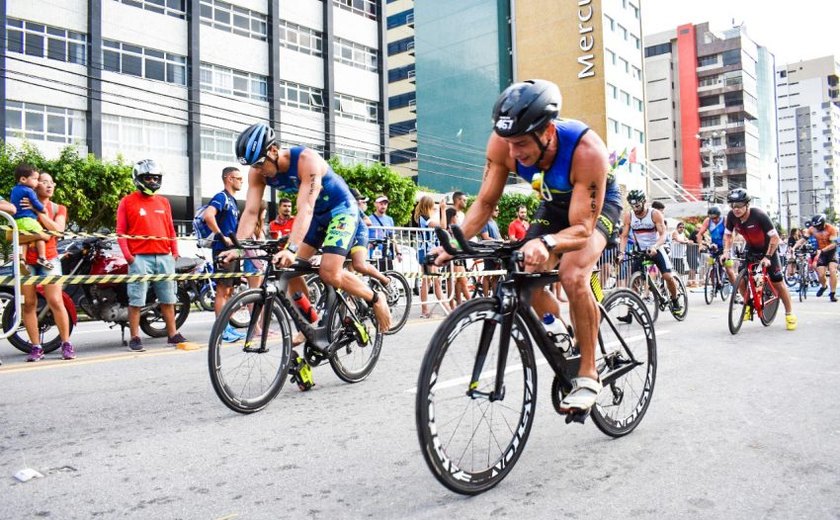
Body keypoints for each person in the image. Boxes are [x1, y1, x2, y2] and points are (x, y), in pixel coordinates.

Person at [433, 79, 623, 413]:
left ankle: (589, 373)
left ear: (548, 131)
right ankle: (559, 329)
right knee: (525, 268)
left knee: (573, 273)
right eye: (508, 142)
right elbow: (485, 203)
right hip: (553, 204)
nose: (513, 152)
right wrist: (455, 242)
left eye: (521, 143)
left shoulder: (586, 151)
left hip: (596, 209)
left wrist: (548, 241)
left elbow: (581, 228)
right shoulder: (503, 143)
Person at [220, 123, 390, 337]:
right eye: (253, 166)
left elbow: (305, 208)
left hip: (341, 210)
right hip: (317, 217)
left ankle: (375, 298)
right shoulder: (258, 173)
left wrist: (291, 248)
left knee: (329, 272)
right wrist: (238, 248)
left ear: (273, 150)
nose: (258, 170)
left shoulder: (305, 160)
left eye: (260, 163)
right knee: (289, 271)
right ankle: (313, 323)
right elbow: (251, 212)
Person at [116, 159, 189, 351]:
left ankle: (172, 335)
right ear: (139, 179)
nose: (152, 181)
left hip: (165, 257)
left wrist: (174, 252)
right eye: (148, 178)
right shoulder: (127, 201)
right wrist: (129, 257)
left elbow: (171, 229)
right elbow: (121, 232)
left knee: (168, 298)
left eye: (155, 178)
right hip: (140, 258)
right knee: (136, 300)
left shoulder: (163, 202)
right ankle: (134, 337)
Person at [720, 188, 796, 330]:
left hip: (769, 249)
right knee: (741, 280)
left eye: (739, 205)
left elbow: (775, 238)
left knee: (777, 281)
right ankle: (748, 304)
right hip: (751, 248)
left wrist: (767, 257)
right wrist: (725, 252)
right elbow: (728, 235)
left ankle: (789, 313)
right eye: (733, 206)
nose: (736, 209)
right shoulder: (731, 216)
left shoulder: (759, 215)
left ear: (747, 204)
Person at [18, 172, 74, 361]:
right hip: (27, 262)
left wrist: (39, 212)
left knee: (56, 301)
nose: (49, 186)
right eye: (44, 182)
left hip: (50, 259)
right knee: (29, 304)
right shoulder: (22, 206)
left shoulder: (59, 208)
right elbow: (15, 236)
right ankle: (36, 347)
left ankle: (66, 344)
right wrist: (41, 235)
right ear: (35, 185)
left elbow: (58, 230)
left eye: (51, 182)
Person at [618, 190, 682, 313]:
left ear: (643, 202)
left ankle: (675, 301)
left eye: (637, 205)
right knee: (634, 280)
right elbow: (624, 236)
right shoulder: (629, 216)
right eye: (633, 206)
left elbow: (663, 234)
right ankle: (631, 311)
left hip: (656, 248)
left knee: (667, 276)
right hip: (641, 250)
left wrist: (655, 246)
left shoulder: (655, 214)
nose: (635, 208)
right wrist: (621, 253)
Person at [203, 166, 244, 342]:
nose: (242, 181)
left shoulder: (233, 201)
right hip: (222, 250)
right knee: (222, 290)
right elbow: (208, 215)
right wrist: (222, 236)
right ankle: (221, 331)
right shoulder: (222, 197)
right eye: (238, 178)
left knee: (229, 290)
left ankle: (227, 327)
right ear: (229, 178)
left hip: (233, 251)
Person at [10, 164, 52, 270]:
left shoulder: (14, 189)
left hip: (17, 220)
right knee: (40, 236)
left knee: (24, 241)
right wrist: (43, 209)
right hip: (28, 220)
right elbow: (35, 202)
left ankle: (22, 260)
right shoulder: (29, 191)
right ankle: (42, 257)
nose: (37, 182)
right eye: (35, 179)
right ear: (23, 179)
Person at [347, 188, 391, 288]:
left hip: (359, 236)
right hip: (347, 237)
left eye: (359, 200)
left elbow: (368, 221)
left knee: (359, 265)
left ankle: (385, 280)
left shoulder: (355, 208)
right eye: (358, 200)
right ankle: (349, 298)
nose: (359, 202)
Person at [415, 196, 450, 318]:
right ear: (428, 206)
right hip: (426, 252)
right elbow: (443, 226)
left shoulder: (425, 218)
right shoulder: (424, 218)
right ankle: (425, 310)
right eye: (433, 207)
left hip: (430, 252)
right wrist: (443, 209)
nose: (434, 209)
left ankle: (446, 308)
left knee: (435, 281)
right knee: (428, 280)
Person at [696, 206, 737, 287]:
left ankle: (736, 291)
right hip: (714, 246)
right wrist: (700, 245)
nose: (714, 220)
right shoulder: (708, 221)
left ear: (719, 216)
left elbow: (731, 235)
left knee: (729, 270)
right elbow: (700, 234)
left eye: (716, 218)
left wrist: (727, 249)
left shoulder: (725, 220)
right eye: (712, 218)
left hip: (725, 246)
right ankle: (714, 285)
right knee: (711, 266)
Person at [807, 214, 838, 301]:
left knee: (832, 271)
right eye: (816, 226)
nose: (817, 228)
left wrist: (823, 250)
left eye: (819, 226)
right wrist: (794, 247)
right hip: (821, 253)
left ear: (823, 224)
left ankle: (832, 293)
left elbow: (834, 244)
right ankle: (824, 286)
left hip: (831, 252)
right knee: (821, 275)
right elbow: (803, 239)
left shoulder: (831, 229)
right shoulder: (812, 229)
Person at [368, 194, 400, 272]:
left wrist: (398, 252)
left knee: (388, 276)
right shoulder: (369, 219)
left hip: (387, 253)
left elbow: (392, 237)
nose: (383, 206)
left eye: (385, 204)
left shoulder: (390, 220)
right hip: (374, 254)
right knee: (374, 278)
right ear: (375, 204)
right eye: (381, 204)